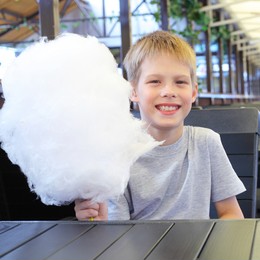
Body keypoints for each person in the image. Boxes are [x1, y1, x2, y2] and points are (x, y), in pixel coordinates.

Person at [75, 30, 245, 221]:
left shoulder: (206, 143)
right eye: (155, 81)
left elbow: (232, 214)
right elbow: (117, 234)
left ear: (193, 92)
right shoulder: (117, 155)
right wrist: (98, 223)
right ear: (133, 91)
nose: (168, 91)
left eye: (180, 82)